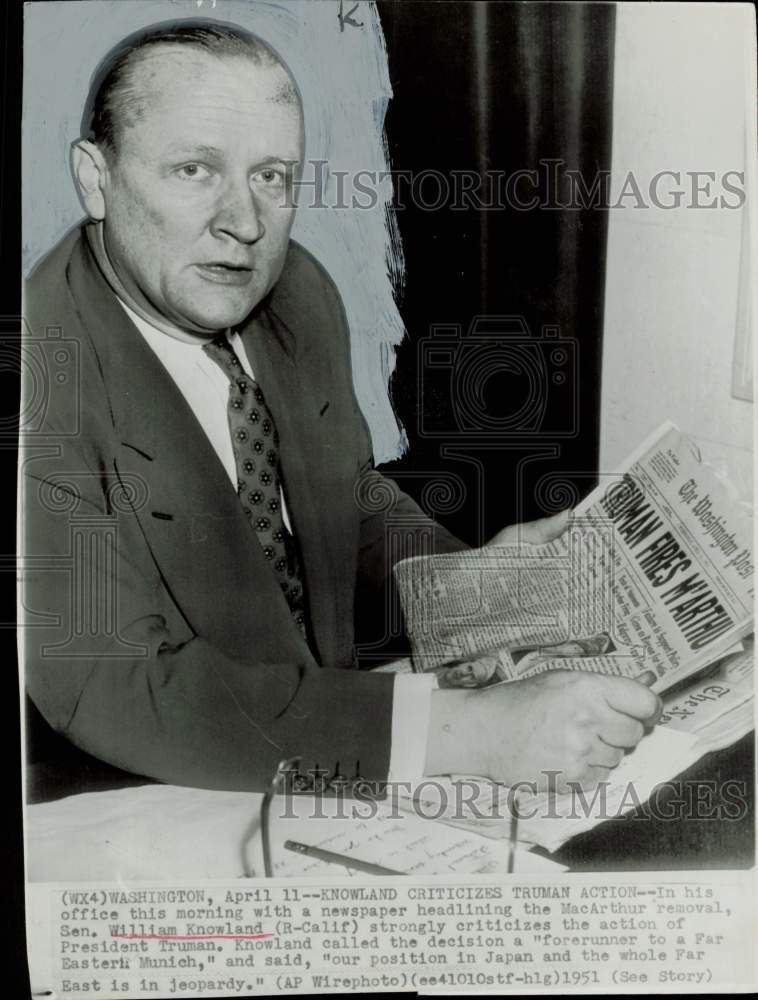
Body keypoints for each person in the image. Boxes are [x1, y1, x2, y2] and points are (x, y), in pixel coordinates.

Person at [21, 19, 660, 797]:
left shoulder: (297, 294)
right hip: (136, 801)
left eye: (273, 177)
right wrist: (472, 733)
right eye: (194, 170)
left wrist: (474, 589)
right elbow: (116, 689)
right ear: (96, 178)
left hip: (324, 758)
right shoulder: (35, 374)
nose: (247, 224)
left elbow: (344, 507)